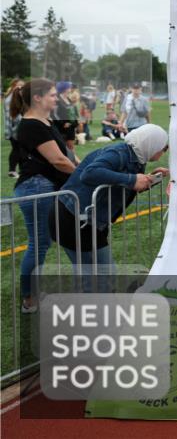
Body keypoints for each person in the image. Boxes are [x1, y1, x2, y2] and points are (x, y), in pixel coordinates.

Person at [50, 124, 168, 276]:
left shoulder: (136, 157)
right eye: (163, 148)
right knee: (101, 276)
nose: (162, 153)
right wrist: (132, 179)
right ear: (151, 144)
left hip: (85, 219)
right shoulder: (119, 153)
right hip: (73, 218)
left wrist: (147, 180)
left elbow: (123, 184)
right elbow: (89, 173)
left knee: (94, 276)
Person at [8, 79, 78, 312]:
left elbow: (66, 154)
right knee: (38, 244)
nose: (55, 97)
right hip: (36, 188)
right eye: (51, 94)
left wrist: (81, 166)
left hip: (44, 186)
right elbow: (57, 160)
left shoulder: (45, 121)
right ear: (37, 98)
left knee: (42, 242)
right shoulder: (31, 125)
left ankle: (33, 293)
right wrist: (83, 176)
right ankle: (29, 299)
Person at [4, 78, 25, 177]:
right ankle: (12, 171)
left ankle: (21, 170)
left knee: (20, 149)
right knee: (16, 149)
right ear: (14, 85)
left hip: (16, 128)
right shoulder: (10, 98)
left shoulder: (14, 97)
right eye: (20, 86)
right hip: (14, 129)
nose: (21, 88)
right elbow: (13, 116)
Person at [54, 81, 79, 159]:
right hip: (63, 128)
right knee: (68, 148)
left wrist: (76, 120)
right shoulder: (57, 100)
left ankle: (75, 164)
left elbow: (73, 111)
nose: (70, 88)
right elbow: (54, 114)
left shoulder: (68, 98)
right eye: (69, 87)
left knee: (70, 147)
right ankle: (76, 165)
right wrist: (62, 123)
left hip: (71, 127)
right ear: (64, 89)